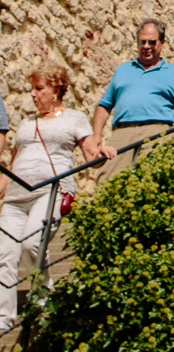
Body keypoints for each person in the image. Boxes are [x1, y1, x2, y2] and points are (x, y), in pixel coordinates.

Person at [0, 63, 113, 334]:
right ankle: (4, 318)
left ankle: (42, 300)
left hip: (51, 191)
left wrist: (103, 151)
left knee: (31, 243)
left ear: (57, 89)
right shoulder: (27, 123)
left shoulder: (74, 118)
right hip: (16, 197)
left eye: (40, 89)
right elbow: (14, 165)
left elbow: (90, 155)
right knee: (4, 254)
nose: (33, 95)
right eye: (32, 89)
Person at [91, 19, 174, 178]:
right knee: (110, 181)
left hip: (156, 131)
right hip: (122, 133)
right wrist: (96, 135)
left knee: (153, 180)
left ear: (162, 43)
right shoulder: (123, 70)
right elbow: (104, 105)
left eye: (152, 42)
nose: (146, 46)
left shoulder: (172, 72)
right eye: (142, 41)